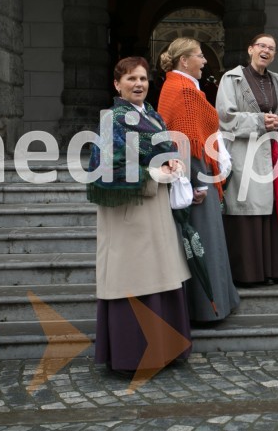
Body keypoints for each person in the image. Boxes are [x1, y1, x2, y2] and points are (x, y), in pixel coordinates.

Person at [86, 56, 191, 375]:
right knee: (135, 280)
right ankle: (132, 355)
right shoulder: (113, 120)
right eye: (131, 78)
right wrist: (152, 172)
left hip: (155, 212)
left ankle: (165, 349)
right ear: (117, 84)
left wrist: (174, 164)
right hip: (128, 216)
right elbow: (102, 171)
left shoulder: (155, 117)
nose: (138, 84)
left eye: (143, 78)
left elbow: (162, 153)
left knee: (159, 279)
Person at [157, 37, 240, 322]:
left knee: (195, 244)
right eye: (200, 56)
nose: (205, 61)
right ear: (184, 60)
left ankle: (204, 305)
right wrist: (198, 182)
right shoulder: (184, 92)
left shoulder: (174, 86)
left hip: (188, 177)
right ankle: (207, 309)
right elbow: (188, 142)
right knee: (203, 243)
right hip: (195, 180)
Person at [216, 34, 278, 285]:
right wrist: (261, 121)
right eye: (261, 46)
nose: (266, 51)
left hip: (274, 153)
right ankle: (250, 274)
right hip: (245, 153)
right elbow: (224, 118)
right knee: (249, 206)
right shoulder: (232, 79)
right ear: (250, 49)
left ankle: (275, 270)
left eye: (271, 48)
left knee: (274, 206)